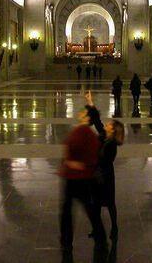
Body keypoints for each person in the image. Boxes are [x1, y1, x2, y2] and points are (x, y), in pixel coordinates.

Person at [58, 100, 106, 255]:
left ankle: (66, 242)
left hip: (75, 178)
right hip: (84, 178)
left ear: (87, 118)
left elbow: (73, 149)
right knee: (89, 210)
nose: (79, 113)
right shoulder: (91, 135)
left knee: (68, 211)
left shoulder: (81, 132)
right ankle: (101, 238)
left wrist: (73, 163)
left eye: (82, 112)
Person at [85, 92, 124, 241]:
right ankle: (96, 228)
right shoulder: (103, 135)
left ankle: (114, 228)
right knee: (95, 204)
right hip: (97, 174)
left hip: (105, 175)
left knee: (109, 203)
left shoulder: (112, 144)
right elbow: (96, 120)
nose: (106, 125)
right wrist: (90, 102)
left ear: (113, 131)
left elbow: (104, 160)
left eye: (109, 125)